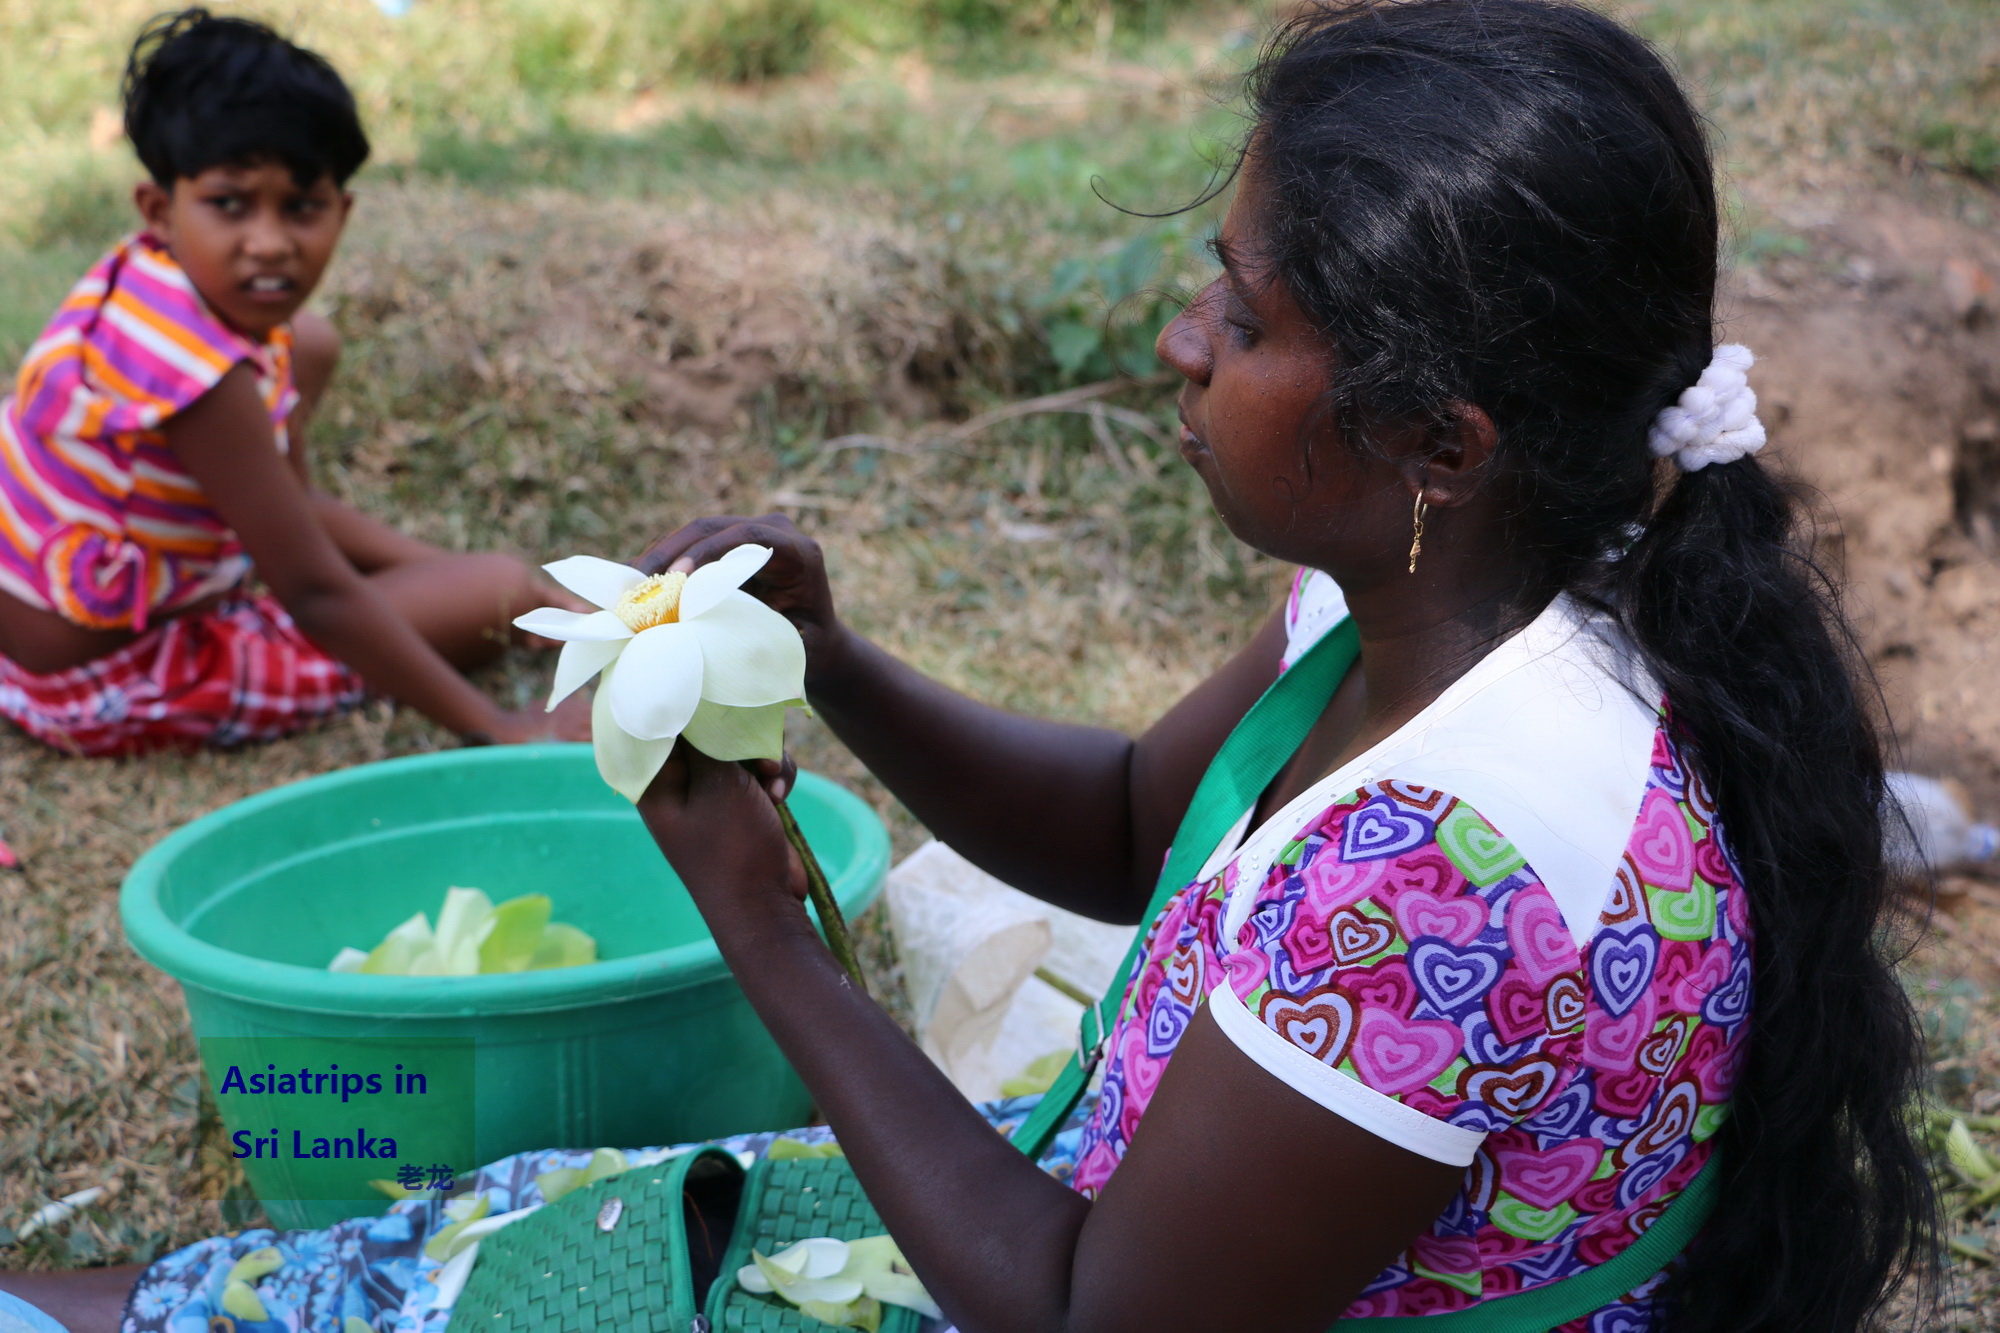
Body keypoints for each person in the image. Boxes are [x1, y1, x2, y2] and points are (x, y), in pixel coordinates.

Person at [5, 2, 1935, 1330]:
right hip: (1116, 1231)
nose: (1183, 343)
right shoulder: (1458, 598)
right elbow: (1120, 827)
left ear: (1445, 436)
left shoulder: (1455, 855)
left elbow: (1083, 1309)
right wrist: (833, 655)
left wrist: (776, 938)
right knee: (518, 1223)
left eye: (1242, 314)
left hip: (1092, 1283)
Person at [0, 9, 589, 755]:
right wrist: (500, 722)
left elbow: (294, 507)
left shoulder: (146, 277)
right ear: (160, 208)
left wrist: (445, 576)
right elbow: (312, 590)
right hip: (111, 684)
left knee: (309, 341)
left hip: (45, 615)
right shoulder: (202, 378)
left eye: (302, 207)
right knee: (497, 589)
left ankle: (474, 589)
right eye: (230, 204)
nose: (270, 243)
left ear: (342, 213)